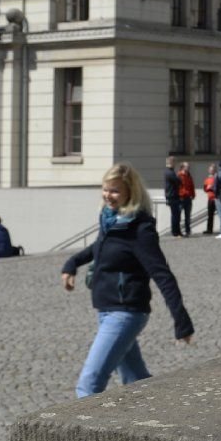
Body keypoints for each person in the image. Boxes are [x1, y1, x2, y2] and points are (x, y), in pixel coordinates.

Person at [60, 162, 195, 397]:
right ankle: (160, 419)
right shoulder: (111, 219)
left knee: (88, 385)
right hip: (106, 309)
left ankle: (85, 434)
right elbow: (99, 246)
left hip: (125, 313)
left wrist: (181, 320)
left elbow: (162, 274)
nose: (108, 196)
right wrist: (72, 263)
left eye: (115, 191)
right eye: (106, 189)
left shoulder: (140, 229)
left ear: (130, 192)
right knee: (137, 383)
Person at [162, 155, 182, 237]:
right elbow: (178, 181)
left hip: (172, 195)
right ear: (172, 162)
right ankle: (175, 232)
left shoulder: (169, 171)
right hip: (172, 196)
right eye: (174, 162)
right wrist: (178, 179)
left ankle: (176, 231)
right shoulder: (170, 172)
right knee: (175, 215)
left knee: (176, 214)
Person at [175, 162, 196, 238]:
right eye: (187, 166)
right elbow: (177, 187)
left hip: (188, 198)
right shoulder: (179, 175)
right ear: (183, 167)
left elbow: (192, 186)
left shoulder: (189, 176)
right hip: (181, 198)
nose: (188, 167)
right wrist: (180, 194)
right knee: (179, 215)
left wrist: (193, 194)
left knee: (187, 216)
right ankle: (178, 231)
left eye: (189, 166)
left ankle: (188, 230)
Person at [201, 164, 217, 235]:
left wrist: (212, 187)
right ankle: (209, 229)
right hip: (210, 198)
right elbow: (204, 189)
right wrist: (207, 188)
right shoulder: (207, 179)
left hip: (217, 198)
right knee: (210, 215)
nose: (211, 171)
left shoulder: (216, 178)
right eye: (210, 170)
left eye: (212, 170)